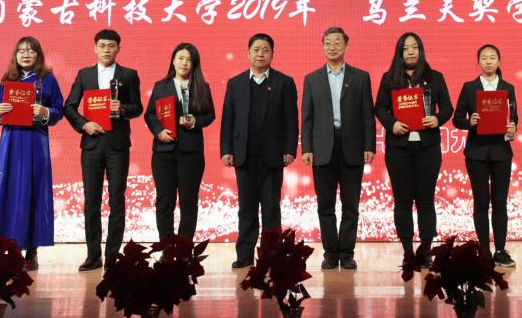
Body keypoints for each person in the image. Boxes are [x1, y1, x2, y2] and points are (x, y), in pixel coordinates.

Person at [63, 29, 143, 272]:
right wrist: (84, 124)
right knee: (92, 202)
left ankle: (112, 256)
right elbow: (69, 107)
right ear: (95, 48)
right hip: (92, 145)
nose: (106, 50)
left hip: (118, 145)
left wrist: (123, 109)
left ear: (118, 48)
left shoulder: (129, 75)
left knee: (117, 199)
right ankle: (93, 255)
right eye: (102, 45)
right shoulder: (84, 75)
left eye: (111, 46)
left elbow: (138, 107)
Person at [220, 33, 298, 269]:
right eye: (256, 50)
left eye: (265, 50)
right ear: (248, 53)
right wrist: (226, 149)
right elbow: (228, 119)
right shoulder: (235, 83)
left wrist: (290, 149)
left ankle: (271, 256)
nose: (260, 54)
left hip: (273, 156)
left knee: (271, 209)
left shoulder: (284, 82)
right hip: (243, 156)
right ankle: (244, 255)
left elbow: (291, 120)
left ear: (272, 54)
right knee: (246, 209)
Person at [375, 33, 453, 266]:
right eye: (406, 48)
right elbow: (380, 108)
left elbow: (447, 108)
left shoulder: (435, 77)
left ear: (421, 51)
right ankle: (408, 252)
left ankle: (425, 250)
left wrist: (437, 119)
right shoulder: (389, 78)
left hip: (428, 147)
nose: (410, 51)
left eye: (414, 47)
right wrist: (392, 124)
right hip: (398, 148)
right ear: (400, 52)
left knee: (426, 200)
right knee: (402, 201)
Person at [301, 27, 376, 270]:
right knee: (325, 205)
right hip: (322, 147)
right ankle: (331, 253)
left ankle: (347, 252)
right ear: (322, 46)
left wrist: (370, 145)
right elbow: (307, 118)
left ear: (346, 46)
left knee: (351, 205)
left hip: (352, 146)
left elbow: (367, 116)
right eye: (328, 43)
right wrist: (307, 147)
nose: (332, 47)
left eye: (337, 43)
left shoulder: (360, 77)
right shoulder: (312, 79)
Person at [0, 36, 65, 270]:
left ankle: (31, 250)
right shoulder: (7, 82)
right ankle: (8, 248)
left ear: (38, 55)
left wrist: (44, 112)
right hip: (11, 142)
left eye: (31, 51)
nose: (26, 54)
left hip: (35, 141)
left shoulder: (47, 80)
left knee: (33, 189)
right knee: (9, 190)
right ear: (15, 55)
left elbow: (59, 109)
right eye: (21, 51)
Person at [452, 44, 519, 267]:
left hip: (501, 152)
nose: (488, 61)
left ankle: (500, 250)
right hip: (476, 153)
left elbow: (514, 118)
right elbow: (457, 119)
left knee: (500, 202)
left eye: (492, 58)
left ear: (499, 61)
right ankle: (484, 251)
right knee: (481, 202)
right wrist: (469, 122)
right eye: (484, 58)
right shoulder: (469, 87)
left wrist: (512, 127)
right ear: (478, 62)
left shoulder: (508, 88)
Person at [144, 43, 215, 241]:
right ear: (173, 61)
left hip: (191, 152)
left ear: (195, 63)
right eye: (181, 58)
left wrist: (195, 122)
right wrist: (158, 131)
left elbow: (210, 115)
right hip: (164, 151)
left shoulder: (202, 87)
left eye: (189, 59)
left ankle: (184, 248)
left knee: (189, 201)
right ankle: (166, 246)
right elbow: (150, 114)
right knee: (165, 201)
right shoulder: (161, 86)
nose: (184, 63)